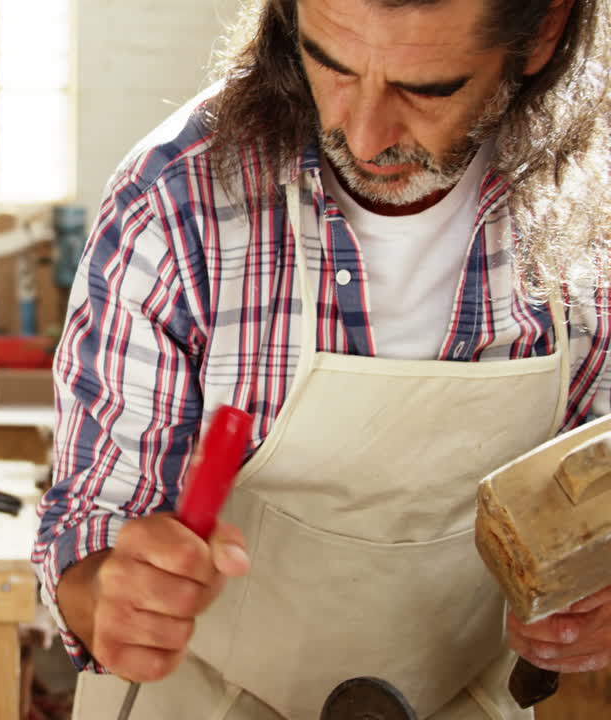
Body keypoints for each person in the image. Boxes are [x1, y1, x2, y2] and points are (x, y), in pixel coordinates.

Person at [33, 0, 611, 716]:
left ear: (543, 32)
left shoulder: (592, 208)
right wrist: (108, 596)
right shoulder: (176, 204)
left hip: (462, 700)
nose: (363, 135)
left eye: (426, 88)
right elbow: (88, 526)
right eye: (330, 64)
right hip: (200, 699)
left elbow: (596, 495)